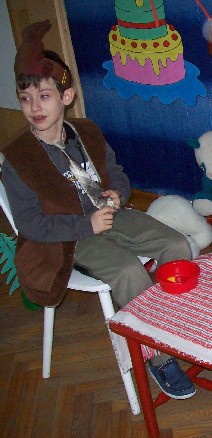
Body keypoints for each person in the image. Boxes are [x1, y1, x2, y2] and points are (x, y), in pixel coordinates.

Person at [1, 20, 196, 400]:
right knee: (127, 271)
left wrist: (117, 194)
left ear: (66, 96)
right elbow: (30, 225)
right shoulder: (19, 158)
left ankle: (172, 323)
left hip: (109, 215)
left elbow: (116, 174)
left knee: (177, 244)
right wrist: (86, 225)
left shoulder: (86, 132)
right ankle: (157, 356)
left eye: (44, 96)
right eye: (25, 99)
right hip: (68, 237)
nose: (35, 107)